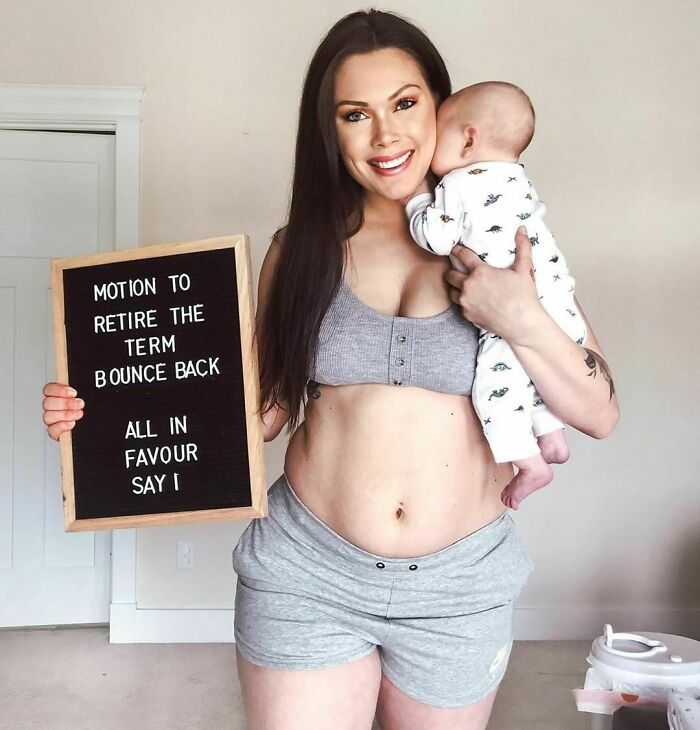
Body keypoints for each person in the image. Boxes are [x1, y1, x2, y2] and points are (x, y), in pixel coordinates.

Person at [42, 9, 619, 730]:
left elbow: (599, 412)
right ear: (330, 130)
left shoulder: (508, 236)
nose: (385, 135)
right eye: (355, 114)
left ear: (442, 109)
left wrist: (522, 317)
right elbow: (262, 413)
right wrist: (109, 419)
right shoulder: (304, 249)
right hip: (306, 571)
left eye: (405, 104)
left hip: (459, 585)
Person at [403, 81, 587, 510]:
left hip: (506, 307)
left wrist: (418, 202)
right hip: (556, 297)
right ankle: (552, 435)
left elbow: (437, 237)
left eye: (438, 133)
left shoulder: (460, 183)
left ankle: (530, 464)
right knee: (532, 370)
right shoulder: (519, 180)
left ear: (468, 139)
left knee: (494, 386)